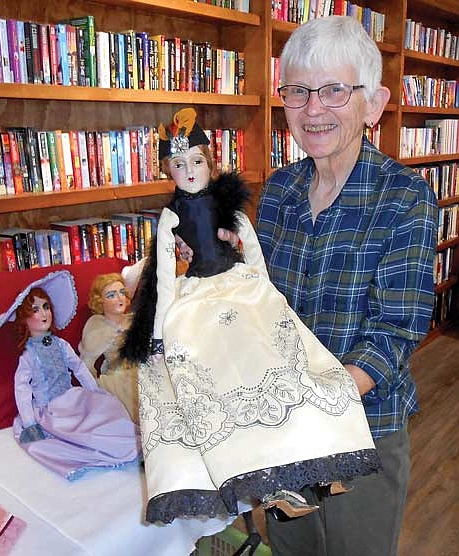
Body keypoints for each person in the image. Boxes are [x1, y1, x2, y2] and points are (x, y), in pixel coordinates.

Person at [120, 107, 380, 526]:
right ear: (168, 169)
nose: (189, 171)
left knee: (294, 365)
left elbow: (253, 247)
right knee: (218, 379)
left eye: (197, 162)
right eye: (179, 164)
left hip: (242, 287)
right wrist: (157, 331)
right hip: (199, 294)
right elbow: (165, 276)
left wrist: (267, 295)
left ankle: (327, 460)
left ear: (211, 162)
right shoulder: (170, 217)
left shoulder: (228, 205)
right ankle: (265, 478)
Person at [256, 15, 438, 556]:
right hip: (284, 425)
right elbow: (259, 305)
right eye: (298, 91)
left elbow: (395, 333)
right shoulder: (278, 190)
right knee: (291, 547)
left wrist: (312, 400)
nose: (314, 109)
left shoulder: (405, 197)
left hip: (365, 430)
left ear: (374, 104)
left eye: (335, 90)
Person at [0, 270, 141, 480]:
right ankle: (111, 450)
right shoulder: (29, 355)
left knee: (107, 408)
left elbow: (78, 367)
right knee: (78, 432)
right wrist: (29, 422)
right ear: (24, 320)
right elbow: (21, 389)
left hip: (72, 397)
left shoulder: (61, 345)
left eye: (46, 307)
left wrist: (94, 391)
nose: (44, 314)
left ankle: (133, 443)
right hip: (51, 408)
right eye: (35, 309)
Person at [79, 273, 139, 423]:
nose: (119, 298)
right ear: (101, 302)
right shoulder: (97, 327)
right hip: (117, 381)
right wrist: (94, 391)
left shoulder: (134, 321)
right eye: (111, 295)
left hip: (141, 375)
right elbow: (85, 365)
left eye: (122, 292)